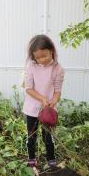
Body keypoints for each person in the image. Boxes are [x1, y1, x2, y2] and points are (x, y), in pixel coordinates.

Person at [22, 34, 65, 167]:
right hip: (32, 107)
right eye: (38, 57)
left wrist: (54, 101)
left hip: (48, 110)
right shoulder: (31, 66)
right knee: (31, 135)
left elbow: (57, 90)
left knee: (48, 136)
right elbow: (28, 88)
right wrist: (42, 98)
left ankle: (51, 159)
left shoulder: (58, 69)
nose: (42, 60)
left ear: (51, 50)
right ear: (33, 57)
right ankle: (32, 159)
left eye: (44, 56)